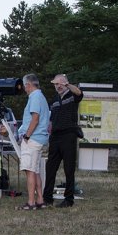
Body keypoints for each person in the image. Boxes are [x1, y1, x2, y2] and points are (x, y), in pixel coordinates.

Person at [43, 73, 84, 208]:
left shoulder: (72, 96)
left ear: (66, 84)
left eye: (60, 84)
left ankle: (69, 199)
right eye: (55, 84)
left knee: (69, 169)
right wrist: (49, 127)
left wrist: (67, 85)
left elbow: (79, 93)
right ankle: (47, 198)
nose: (57, 86)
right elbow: (52, 118)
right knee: (50, 168)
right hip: (55, 137)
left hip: (68, 135)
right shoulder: (54, 100)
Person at [15, 74, 50, 210]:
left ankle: (31, 202)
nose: (24, 89)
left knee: (29, 170)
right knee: (35, 171)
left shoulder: (35, 97)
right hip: (39, 138)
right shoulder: (41, 97)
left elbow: (35, 118)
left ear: (28, 85)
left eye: (25, 86)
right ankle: (40, 199)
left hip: (33, 138)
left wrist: (27, 135)